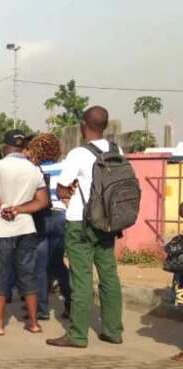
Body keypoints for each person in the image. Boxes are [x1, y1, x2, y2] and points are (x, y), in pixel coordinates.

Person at [47, 106, 124, 349]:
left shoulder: (78, 153)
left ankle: (78, 335)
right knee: (109, 275)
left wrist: (67, 193)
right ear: (105, 125)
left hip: (81, 220)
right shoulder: (117, 150)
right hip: (108, 221)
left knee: (81, 278)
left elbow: (62, 187)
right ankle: (113, 331)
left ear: (83, 125)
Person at [0, 130, 49, 336]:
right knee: (27, 275)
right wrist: (18, 209)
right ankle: (33, 322)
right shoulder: (34, 169)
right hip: (26, 227)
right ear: (24, 148)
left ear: (5, 147)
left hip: (0, 228)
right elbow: (42, 202)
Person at [26, 133, 71, 322]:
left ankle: (42, 310)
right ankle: (71, 303)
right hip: (62, 217)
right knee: (58, 264)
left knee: (40, 265)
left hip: (41, 217)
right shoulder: (65, 167)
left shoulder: (33, 170)